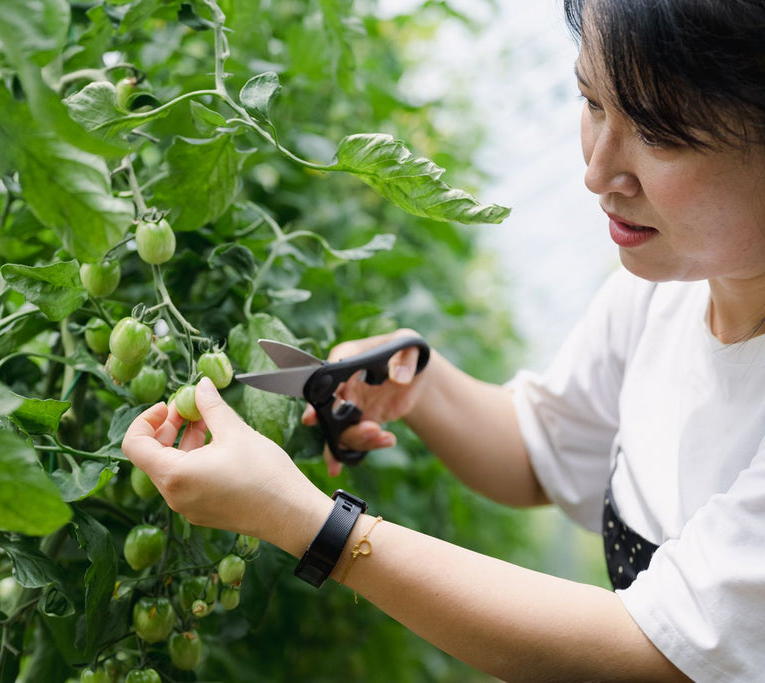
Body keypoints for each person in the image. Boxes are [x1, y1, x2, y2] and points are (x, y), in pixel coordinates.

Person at [122, 0, 765, 679]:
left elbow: (652, 653)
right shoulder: (662, 290)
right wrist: (421, 381)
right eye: (592, 101)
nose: (598, 173)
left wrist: (312, 524)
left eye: (660, 135)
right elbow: (542, 448)